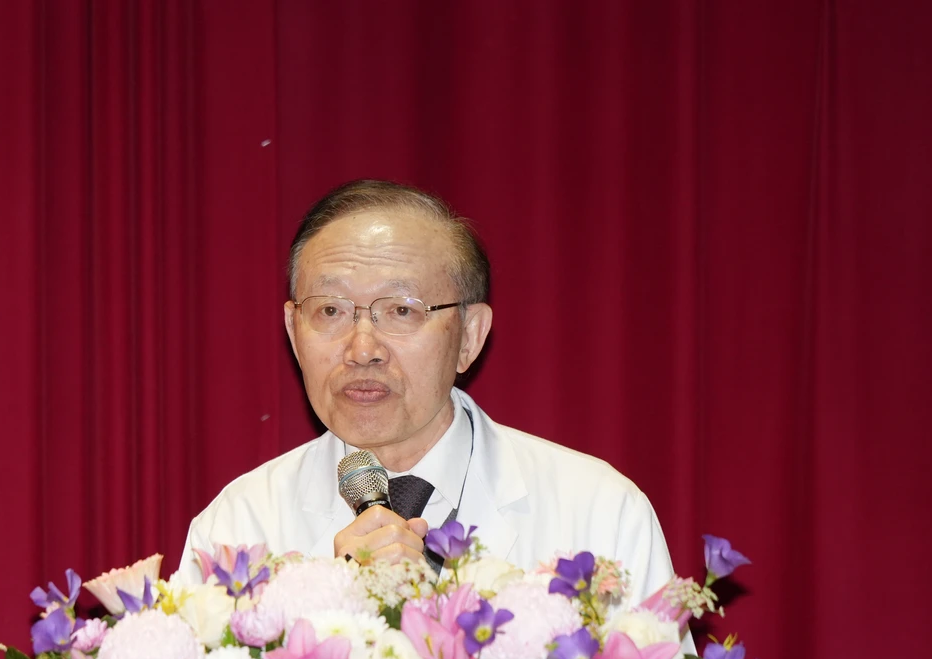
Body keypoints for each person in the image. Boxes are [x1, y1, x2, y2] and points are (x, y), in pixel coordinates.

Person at [177, 180, 677, 609]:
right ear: (293, 330)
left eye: (401, 310)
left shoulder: (599, 512)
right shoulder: (237, 530)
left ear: (469, 336)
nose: (362, 349)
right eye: (330, 311)